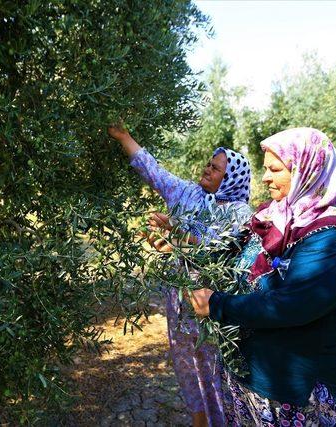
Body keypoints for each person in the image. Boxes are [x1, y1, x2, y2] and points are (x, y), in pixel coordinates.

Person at [189, 127, 336, 426]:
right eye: (265, 169)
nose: (266, 177)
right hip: (248, 372)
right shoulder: (271, 216)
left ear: (307, 169)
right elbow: (229, 257)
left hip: (294, 389)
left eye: (275, 169)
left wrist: (218, 305)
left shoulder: (335, 236)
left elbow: (294, 304)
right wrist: (180, 248)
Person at [108, 124, 253, 427]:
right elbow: (153, 171)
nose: (208, 169)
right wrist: (124, 137)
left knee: (216, 375)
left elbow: (220, 251)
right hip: (179, 305)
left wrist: (176, 232)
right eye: (209, 164)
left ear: (231, 178)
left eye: (216, 168)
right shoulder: (188, 193)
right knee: (188, 372)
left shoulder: (240, 213)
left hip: (213, 309)